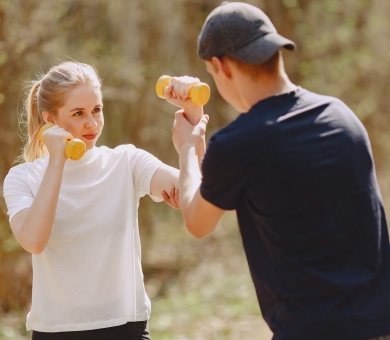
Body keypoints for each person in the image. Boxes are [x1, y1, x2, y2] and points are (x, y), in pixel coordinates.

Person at [164, 2, 390, 339]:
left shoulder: (238, 144)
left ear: (222, 66)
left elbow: (197, 220)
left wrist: (186, 148)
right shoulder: (341, 117)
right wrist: (197, 122)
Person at [2, 61, 183, 339]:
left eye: (97, 110)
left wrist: (192, 119)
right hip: (55, 331)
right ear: (51, 120)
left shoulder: (126, 161)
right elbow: (34, 240)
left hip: (126, 327)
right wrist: (57, 163)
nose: (92, 123)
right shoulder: (22, 178)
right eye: (78, 113)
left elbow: (192, 192)